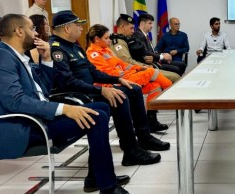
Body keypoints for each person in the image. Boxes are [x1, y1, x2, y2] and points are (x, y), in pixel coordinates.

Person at [0, 13, 146, 194]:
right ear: (19, 31)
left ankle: (95, 177)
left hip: (37, 118)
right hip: (26, 126)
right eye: (32, 28)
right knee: (97, 117)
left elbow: (43, 90)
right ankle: (108, 190)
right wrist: (65, 109)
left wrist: (47, 59)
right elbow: (15, 101)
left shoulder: (17, 56)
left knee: (101, 107)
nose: (36, 33)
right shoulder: (2, 57)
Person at [49, 10, 170, 167]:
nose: (81, 29)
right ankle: (131, 151)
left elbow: (93, 72)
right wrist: (101, 90)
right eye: (78, 25)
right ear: (67, 28)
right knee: (120, 97)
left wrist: (118, 79)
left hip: (89, 91)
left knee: (133, 89)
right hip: (78, 96)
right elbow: (68, 83)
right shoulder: (56, 49)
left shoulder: (74, 47)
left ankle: (144, 138)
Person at [86, 24, 172, 120]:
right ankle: (173, 94)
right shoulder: (93, 54)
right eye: (106, 38)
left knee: (155, 86)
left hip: (125, 78)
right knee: (151, 72)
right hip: (114, 83)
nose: (109, 40)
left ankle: (151, 120)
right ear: (97, 39)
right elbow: (106, 74)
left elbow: (122, 64)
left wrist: (138, 68)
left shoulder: (106, 50)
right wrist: (126, 73)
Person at [131, 13, 184, 78]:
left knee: (182, 65)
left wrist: (162, 54)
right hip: (150, 64)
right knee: (176, 69)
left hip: (155, 60)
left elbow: (151, 51)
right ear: (142, 23)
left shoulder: (145, 34)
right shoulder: (138, 35)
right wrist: (162, 57)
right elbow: (146, 52)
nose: (152, 26)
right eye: (150, 23)